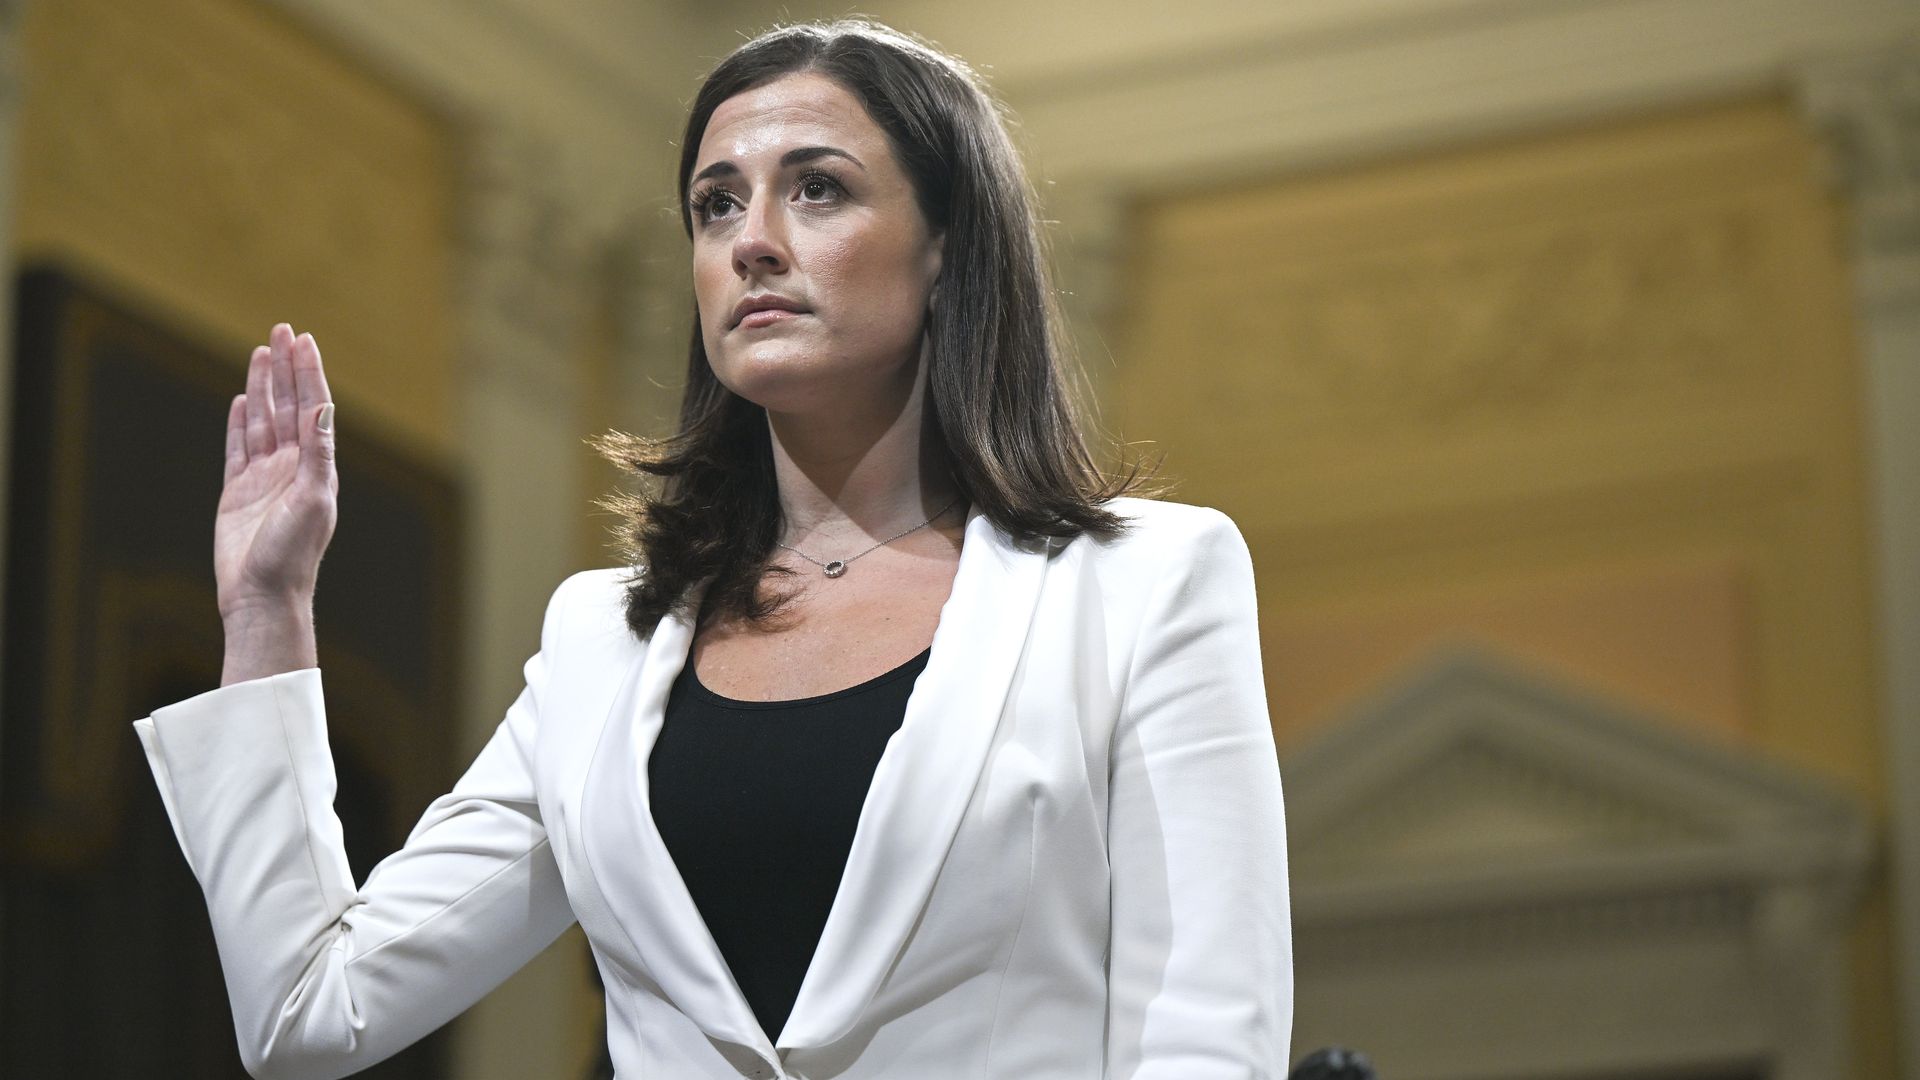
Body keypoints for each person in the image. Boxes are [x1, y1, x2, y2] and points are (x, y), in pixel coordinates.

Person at [133, 19, 1291, 1080]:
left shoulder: (1144, 585)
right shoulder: (601, 640)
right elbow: (308, 1013)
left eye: (819, 190)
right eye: (717, 204)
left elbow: (1204, 1042)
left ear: (946, 245)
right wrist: (266, 609)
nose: (754, 244)